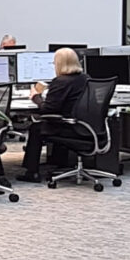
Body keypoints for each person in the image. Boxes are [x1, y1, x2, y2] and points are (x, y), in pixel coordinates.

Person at [18, 47, 92, 181]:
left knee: (36, 128)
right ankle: (58, 162)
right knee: (49, 123)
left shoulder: (61, 81)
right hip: (86, 126)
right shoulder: (86, 78)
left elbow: (47, 109)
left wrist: (35, 97)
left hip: (70, 127)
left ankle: (32, 172)